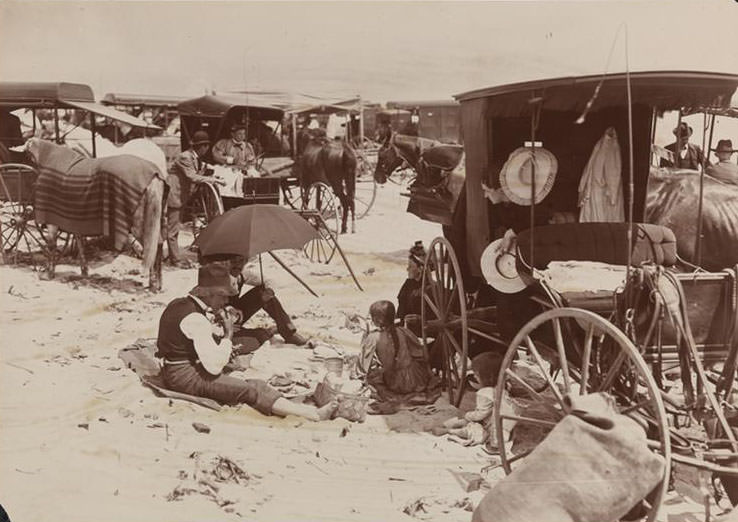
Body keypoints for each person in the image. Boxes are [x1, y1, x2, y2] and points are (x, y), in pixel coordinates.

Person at [156, 263, 337, 420]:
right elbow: (213, 367)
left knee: (236, 371)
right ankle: (312, 415)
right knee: (252, 388)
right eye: (223, 296)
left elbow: (184, 341)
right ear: (210, 294)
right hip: (184, 377)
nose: (227, 300)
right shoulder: (197, 318)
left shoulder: (178, 304)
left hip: (173, 368)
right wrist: (227, 335)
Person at [199, 254, 309, 347]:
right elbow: (208, 305)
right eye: (234, 261)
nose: (238, 265)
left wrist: (268, 292)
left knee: (263, 292)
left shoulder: (243, 274)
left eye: (241, 261)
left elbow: (269, 281)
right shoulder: (216, 275)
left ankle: (288, 333)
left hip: (237, 314)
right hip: (220, 318)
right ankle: (267, 332)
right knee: (256, 337)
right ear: (227, 262)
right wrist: (228, 312)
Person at [166, 130, 223, 267]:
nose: (207, 150)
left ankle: (173, 255)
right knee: (172, 230)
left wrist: (215, 170)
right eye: (206, 147)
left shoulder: (193, 157)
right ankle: (176, 260)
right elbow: (191, 176)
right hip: (175, 195)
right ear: (202, 147)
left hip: (181, 195)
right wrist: (214, 180)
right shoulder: (185, 157)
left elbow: (201, 166)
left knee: (173, 228)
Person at [357, 300, 432, 394]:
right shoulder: (404, 331)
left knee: (374, 376)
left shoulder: (373, 338)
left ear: (376, 319)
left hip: (396, 384)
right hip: (415, 380)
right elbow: (420, 353)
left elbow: (363, 367)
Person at [397, 241, 426, 333]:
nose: (407, 269)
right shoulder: (408, 284)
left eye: (410, 266)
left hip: (420, 331)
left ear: (420, 269)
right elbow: (400, 310)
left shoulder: (429, 289)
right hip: (404, 328)